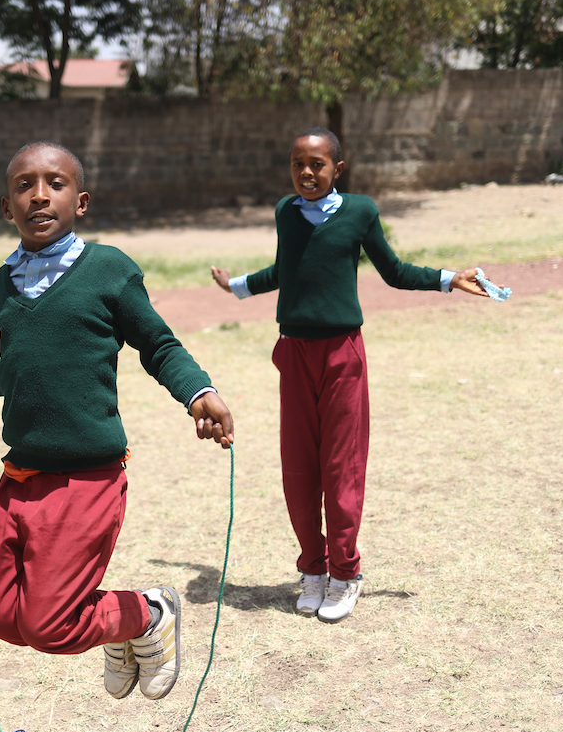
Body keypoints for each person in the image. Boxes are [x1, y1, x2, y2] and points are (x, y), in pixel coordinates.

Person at [0, 140, 234, 702]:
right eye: (24, 185)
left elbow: (158, 345)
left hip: (86, 478)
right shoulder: (5, 282)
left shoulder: (108, 270)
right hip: (19, 478)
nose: (40, 195)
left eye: (56, 183)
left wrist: (197, 392)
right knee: (2, 617)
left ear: (80, 200)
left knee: (51, 627)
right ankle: (115, 622)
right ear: (6, 206)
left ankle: (147, 613)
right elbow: (16, 368)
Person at [211, 127, 500, 625]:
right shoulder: (286, 212)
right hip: (294, 354)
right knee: (299, 467)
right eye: (298, 163)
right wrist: (237, 286)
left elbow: (393, 270)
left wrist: (448, 279)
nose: (307, 172)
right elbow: (286, 269)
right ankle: (314, 570)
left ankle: (345, 574)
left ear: (337, 169)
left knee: (340, 467)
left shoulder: (360, 212)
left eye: (317, 164)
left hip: (343, 355)